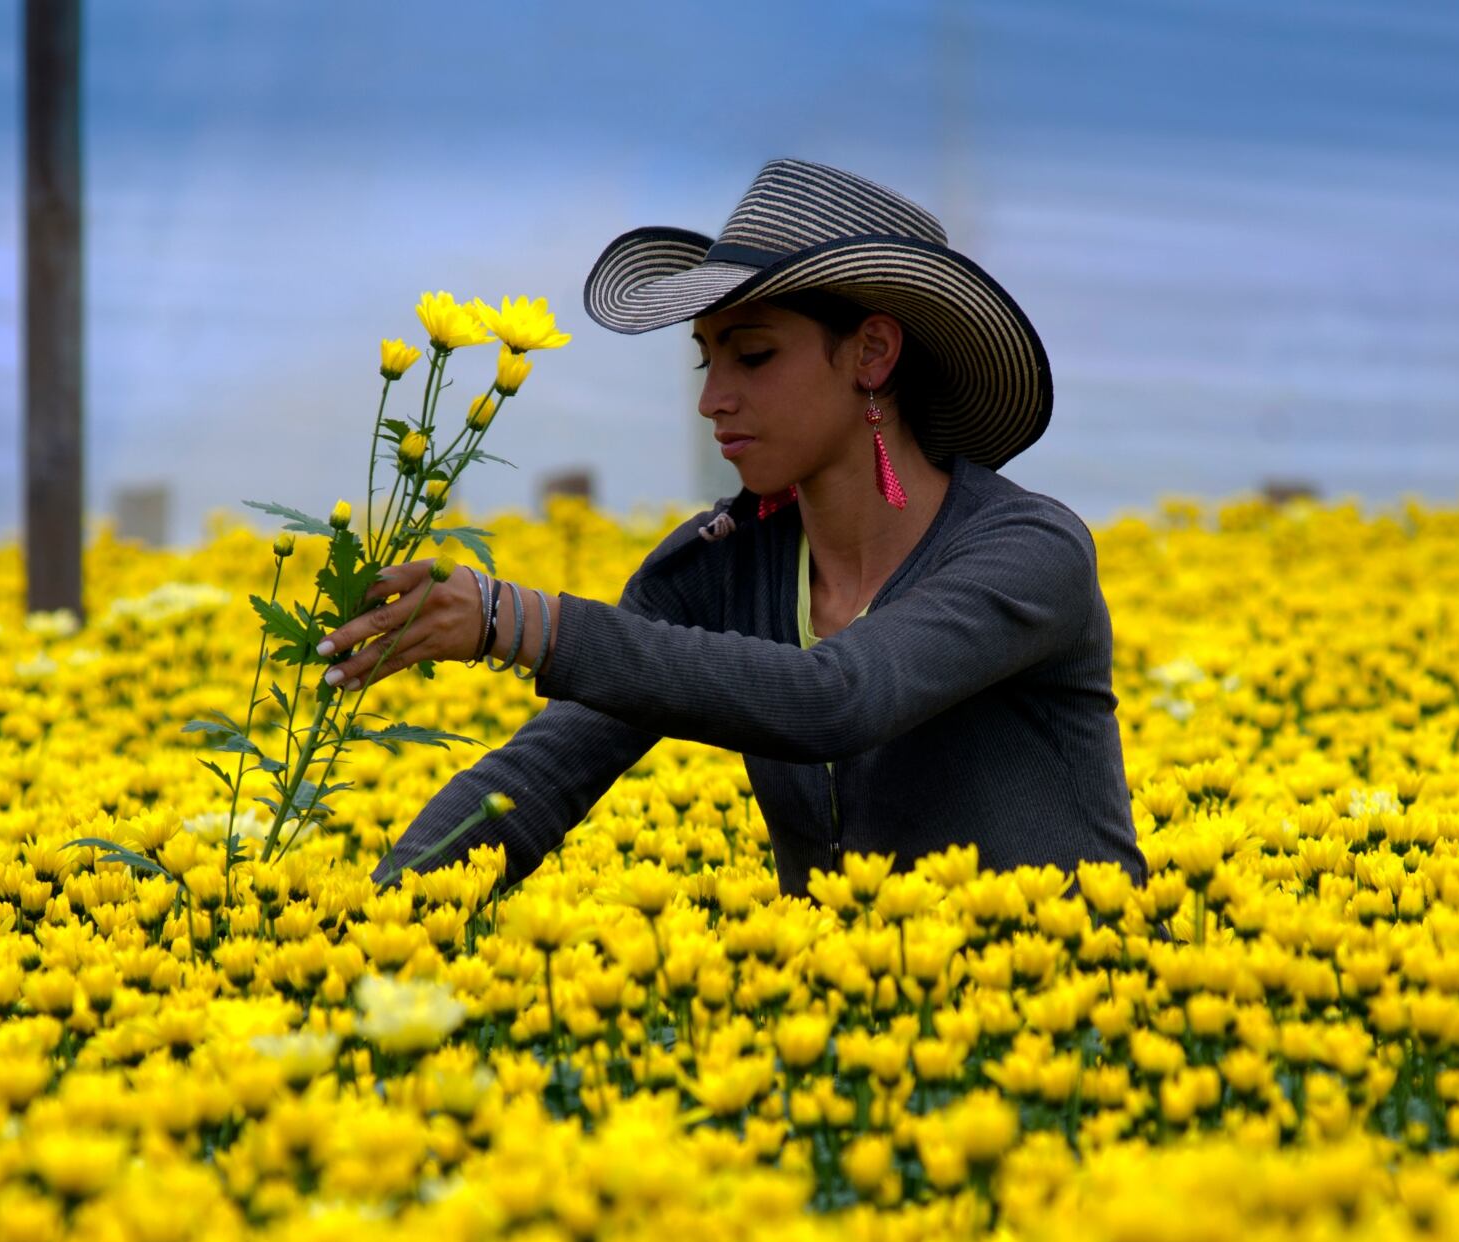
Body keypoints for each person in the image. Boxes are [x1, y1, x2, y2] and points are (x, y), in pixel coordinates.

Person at [323, 158, 1151, 900]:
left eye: (752, 357)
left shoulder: (1028, 553)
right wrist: (372, 914)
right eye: (704, 359)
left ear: (872, 355)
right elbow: (539, 778)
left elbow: (836, 698)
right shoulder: (717, 566)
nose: (712, 398)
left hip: (1069, 1040)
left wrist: (519, 623)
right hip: (839, 1054)